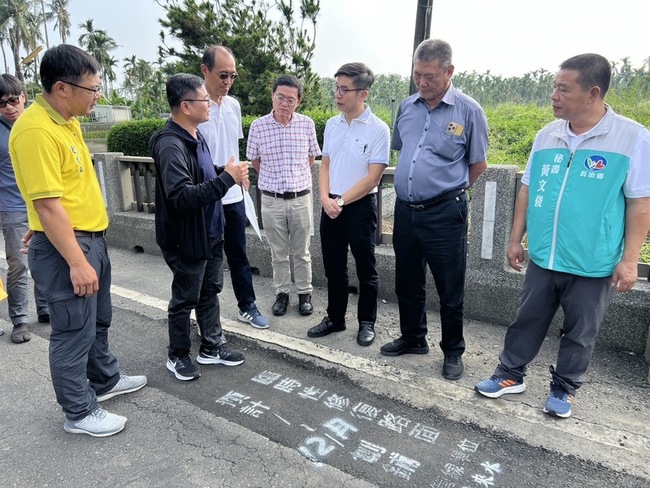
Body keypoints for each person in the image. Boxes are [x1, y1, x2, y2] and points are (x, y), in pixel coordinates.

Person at [475, 53, 650, 418]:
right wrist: (514, 239)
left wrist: (629, 259)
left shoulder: (631, 138)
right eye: (554, 87)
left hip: (592, 261)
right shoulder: (547, 135)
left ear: (593, 93)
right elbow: (527, 189)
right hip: (544, 255)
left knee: (580, 331)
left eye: (562, 88)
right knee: (527, 319)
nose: (553, 95)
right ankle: (510, 374)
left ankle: (564, 388)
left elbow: (639, 204)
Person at [9, 44, 147, 437]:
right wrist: (75, 260)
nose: (97, 96)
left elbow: (56, 193)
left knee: (97, 321)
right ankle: (78, 412)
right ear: (62, 87)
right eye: (92, 88)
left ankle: (104, 381)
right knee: (73, 332)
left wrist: (47, 225)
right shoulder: (36, 130)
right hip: (70, 248)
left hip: (89, 239)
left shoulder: (64, 121)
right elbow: (48, 204)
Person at [379, 39, 488, 381]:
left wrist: (448, 189)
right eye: (417, 75)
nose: (422, 82)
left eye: (429, 76)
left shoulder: (469, 111)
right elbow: (404, 152)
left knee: (449, 287)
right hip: (407, 212)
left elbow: (478, 164)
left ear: (449, 71)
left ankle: (453, 350)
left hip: (445, 213)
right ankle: (414, 337)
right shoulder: (408, 108)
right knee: (407, 280)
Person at [150, 73, 248, 381]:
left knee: (209, 291)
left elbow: (202, 174)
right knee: (185, 298)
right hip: (186, 238)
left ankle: (211, 346)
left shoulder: (195, 134)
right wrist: (226, 179)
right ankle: (177, 354)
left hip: (210, 232)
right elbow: (181, 195)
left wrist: (224, 171)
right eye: (203, 99)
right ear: (185, 105)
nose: (209, 104)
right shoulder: (170, 145)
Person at [307, 62, 389, 347]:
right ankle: (335, 318)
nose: (338, 94)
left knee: (366, 268)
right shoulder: (332, 124)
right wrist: (325, 198)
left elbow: (373, 177)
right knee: (333, 267)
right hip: (331, 205)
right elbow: (325, 163)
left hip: (360, 207)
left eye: (345, 89)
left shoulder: (378, 129)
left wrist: (339, 201)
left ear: (363, 94)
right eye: (336, 88)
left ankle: (367, 322)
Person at [199, 45, 270, 329]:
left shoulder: (233, 106)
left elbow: (233, 146)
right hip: (204, 196)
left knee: (239, 253)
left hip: (232, 194)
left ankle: (247, 305)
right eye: (223, 75)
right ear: (205, 70)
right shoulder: (193, 104)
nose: (228, 82)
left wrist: (241, 173)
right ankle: (204, 314)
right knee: (205, 258)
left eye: (233, 76)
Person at [246, 75, 321, 317]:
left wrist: (295, 178)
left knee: (302, 250)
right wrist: (275, 179)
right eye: (280, 98)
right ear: (273, 97)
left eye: (290, 99)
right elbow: (255, 161)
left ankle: (304, 294)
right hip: (271, 199)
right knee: (277, 251)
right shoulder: (258, 126)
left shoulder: (306, 124)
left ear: (297, 102)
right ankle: (282, 293)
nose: (284, 103)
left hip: (300, 198)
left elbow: (312, 158)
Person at [0, 74, 50, 344]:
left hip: (43, 206)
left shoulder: (37, 123)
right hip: (12, 208)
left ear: (23, 96)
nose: (9, 107)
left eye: (12, 100)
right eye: (1, 103)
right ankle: (19, 319)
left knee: (44, 258)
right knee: (19, 263)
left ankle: (44, 308)